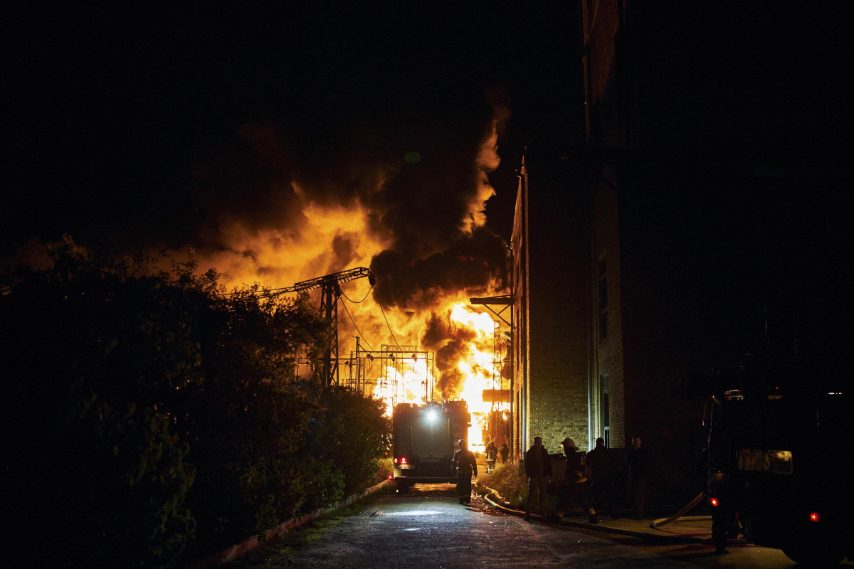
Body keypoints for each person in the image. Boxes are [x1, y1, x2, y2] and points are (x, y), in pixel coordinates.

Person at [560, 437, 597, 523]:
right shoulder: (574, 456)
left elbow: (575, 471)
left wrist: (571, 479)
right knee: (583, 499)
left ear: (568, 448)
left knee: (566, 498)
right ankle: (593, 515)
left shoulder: (573, 457)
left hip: (575, 482)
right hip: (579, 483)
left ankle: (558, 515)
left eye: (565, 447)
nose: (564, 449)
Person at [586, 437, 617, 519]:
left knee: (595, 497)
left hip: (596, 478)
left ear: (596, 443)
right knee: (610, 497)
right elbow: (613, 465)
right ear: (603, 443)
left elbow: (587, 464)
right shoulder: (608, 453)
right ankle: (612, 514)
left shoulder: (592, 454)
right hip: (607, 478)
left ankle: (594, 514)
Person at [524, 436, 552, 520]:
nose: (539, 444)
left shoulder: (544, 452)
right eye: (538, 442)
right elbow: (527, 465)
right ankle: (528, 513)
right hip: (534, 476)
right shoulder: (530, 453)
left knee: (542, 494)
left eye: (540, 442)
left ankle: (542, 511)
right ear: (535, 443)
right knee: (531, 494)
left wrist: (549, 474)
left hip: (543, 476)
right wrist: (530, 474)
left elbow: (548, 463)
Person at [626, 435, 649, 519]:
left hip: (640, 476)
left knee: (639, 494)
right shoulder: (634, 453)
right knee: (637, 494)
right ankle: (638, 512)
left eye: (638, 441)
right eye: (637, 441)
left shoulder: (638, 452)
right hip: (636, 476)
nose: (638, 443)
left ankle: (639, 512)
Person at [452, 439, 478, 505]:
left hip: (465, 472)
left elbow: (473, 463)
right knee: (464, 485)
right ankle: (465, 499)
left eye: (462, 444)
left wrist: (475, 471)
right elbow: (474, 463)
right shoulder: (461, 453)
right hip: (464, 471)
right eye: (461, 445)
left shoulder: (458, 453)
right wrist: (475, 471)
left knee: (463, 485)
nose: (462, 446)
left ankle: (464, 499)